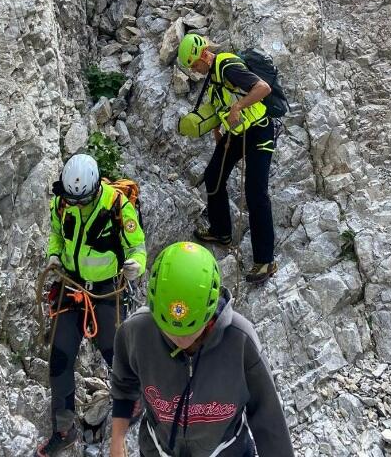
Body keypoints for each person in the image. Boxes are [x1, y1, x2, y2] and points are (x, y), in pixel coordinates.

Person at [108, 242, 293, 456]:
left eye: (191, 330)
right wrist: (118, 440)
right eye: (168, 329)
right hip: (158, 450)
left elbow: (268, 419)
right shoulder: (137, 331)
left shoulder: (239, 340)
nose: (180, 339)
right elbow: (124, 385)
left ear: (211, 309)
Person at [36, 154, 146, 456]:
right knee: (60, 358)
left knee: (115, 352)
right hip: (70, 286)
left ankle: (134, 398)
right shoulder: (62, 202)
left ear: (96, 188)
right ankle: (64, 429)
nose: (76, 205)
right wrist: (54, 255)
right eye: (73, 200)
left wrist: (136, 263)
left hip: (105, 289)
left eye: (82, 200)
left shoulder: (117, 205)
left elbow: (137, 245)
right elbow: (57, 234)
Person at [177, 33, 279, 284]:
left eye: (195, 65)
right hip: (236, 134)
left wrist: (238, 107)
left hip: (259, 130)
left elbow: (262, 88)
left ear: (203, 55)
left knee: (256, 192)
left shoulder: (226, 65)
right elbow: (219, 106)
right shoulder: (212, 79)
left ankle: (265, 260)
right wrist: (217, 132)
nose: (195, 71)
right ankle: (221, 231)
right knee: (213, 176)